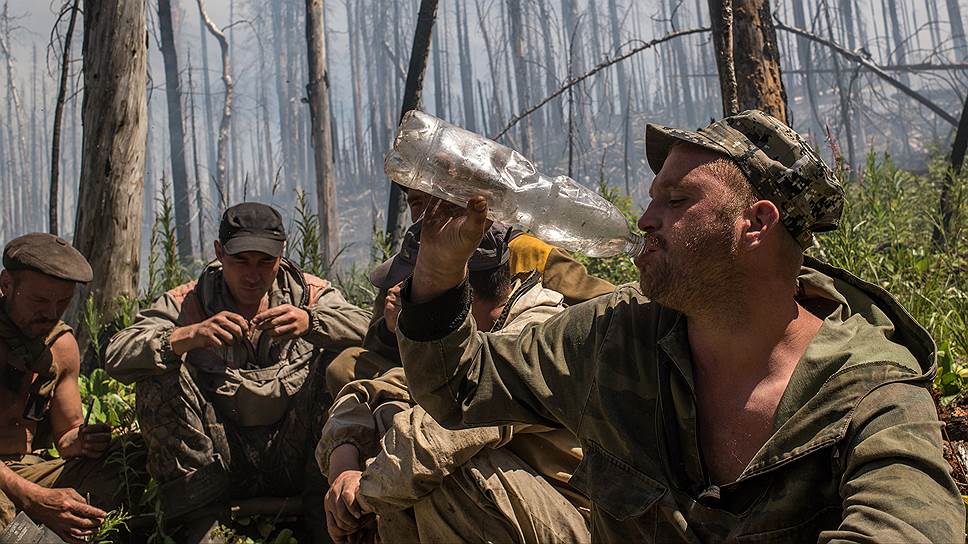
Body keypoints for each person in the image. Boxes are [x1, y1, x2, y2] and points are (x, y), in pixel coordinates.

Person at [395, 110, 966, 542]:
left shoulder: (869, 391)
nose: (645, 219)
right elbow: (458, 389)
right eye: (652, 200)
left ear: (755, 223)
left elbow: (910, 528)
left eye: (676, 199)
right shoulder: (615, 337)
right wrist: (441, 272)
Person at [317, 222, 589, 543]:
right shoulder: (475, 337)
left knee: (444, 470)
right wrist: (344, 464)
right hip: (523, 512)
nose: (400, 301)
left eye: (413, 293)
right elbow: (382, 390)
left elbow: (445, 434)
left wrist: (360, 498)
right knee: (392, 432)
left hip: (571, 517)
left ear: (452, 290)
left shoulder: (538, 330)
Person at [104, 202, 371, 530]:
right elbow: (117, 355)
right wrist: (188, 336)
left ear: (282, 255)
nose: (252, 275)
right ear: (219, 252)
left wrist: (313, 322)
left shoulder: (310, 295)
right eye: (240, 261)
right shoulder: (188, 302)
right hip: (218, 457)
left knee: (344, 361)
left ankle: (328, 518)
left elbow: (374, 330)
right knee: (156, 378)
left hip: (304, 456)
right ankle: (200, 525)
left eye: (265, 262)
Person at [0, 233, 120, 544]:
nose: (52, 313)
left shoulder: (62, 346)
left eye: (63, 302)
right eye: (40, 301)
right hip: (8, 482)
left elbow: (67, 437)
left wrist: (84, 440)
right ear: (6, 285)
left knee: (129, 460)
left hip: (29, 469)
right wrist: (34, 498)